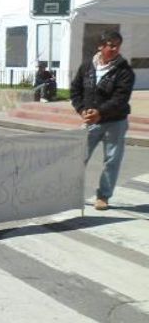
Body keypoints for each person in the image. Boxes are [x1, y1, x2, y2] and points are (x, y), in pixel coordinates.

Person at [70, 30, 135, 211]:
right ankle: (70, 192)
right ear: (101, 46)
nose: (114, 49)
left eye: (117, 46)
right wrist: (82, 110)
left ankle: (103, 196)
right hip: (90, 121)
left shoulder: (125, 71)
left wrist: (100, 112)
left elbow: (120, 98)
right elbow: (75, 90)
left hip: (115, 122)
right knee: (78, 158)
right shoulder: (87, 66)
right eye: (111, 45)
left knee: (112, 160)